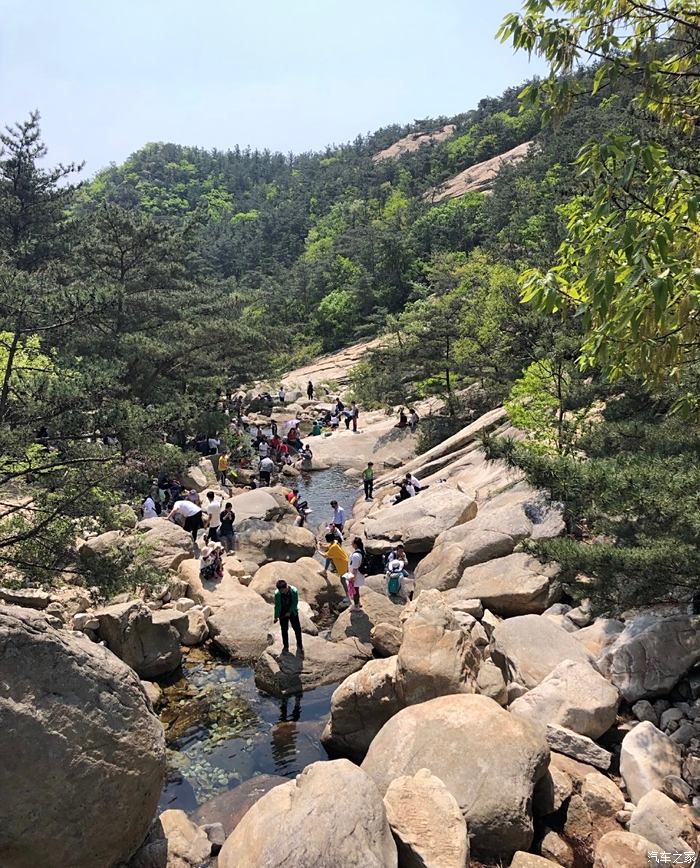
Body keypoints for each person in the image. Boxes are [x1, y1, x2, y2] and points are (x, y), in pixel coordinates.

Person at [274, 580, 303, 653]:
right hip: (282, 612)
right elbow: (277, 605)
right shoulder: (277, 593)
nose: (280, 591)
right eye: (279, 590)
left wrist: (289, 612)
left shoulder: (293, 591)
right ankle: (286, 646)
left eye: (281, 590)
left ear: (285, 587)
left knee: (297, 629)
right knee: (284, 630)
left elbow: (295, 603)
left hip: (292, 611)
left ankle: (299, 645)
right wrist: (276, 616)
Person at [345, 538, 366, 609]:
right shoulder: (361, 552)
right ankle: (358, 603)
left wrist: (352, 578)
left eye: (352, 543)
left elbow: (355, 568)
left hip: (356, 575)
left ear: (355, 545)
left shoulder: (356, 555)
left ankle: (356, 606)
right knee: (356, 590)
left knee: (355, 591)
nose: (351, 544)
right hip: (358, 574)